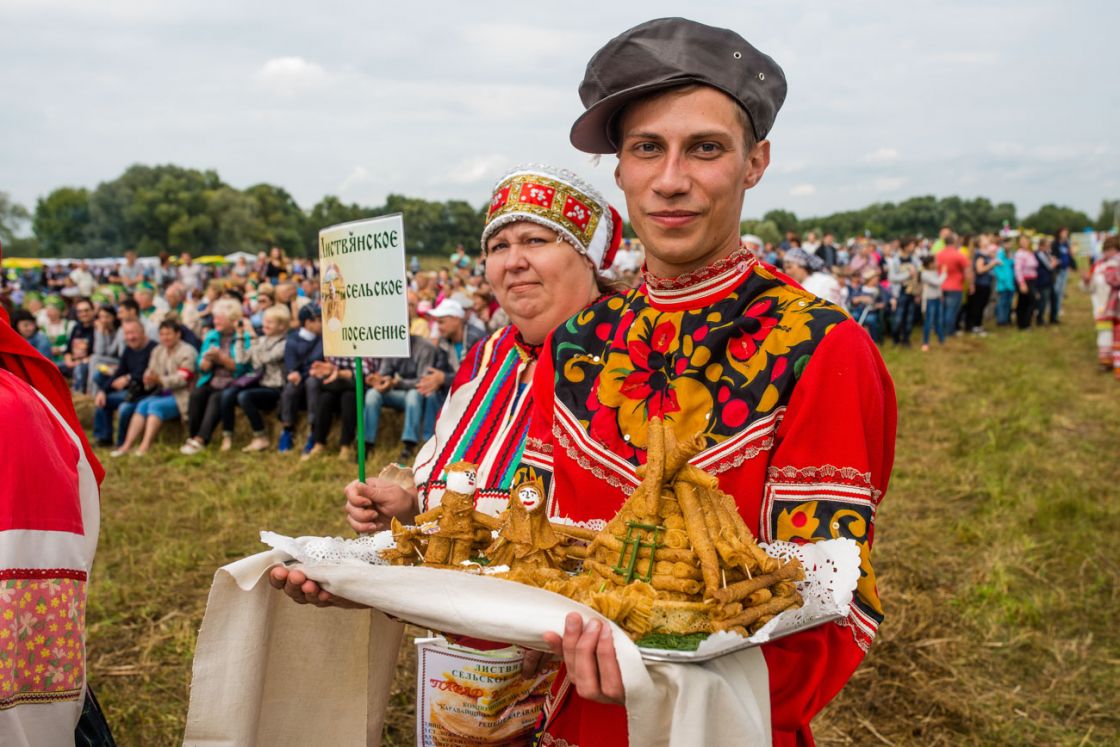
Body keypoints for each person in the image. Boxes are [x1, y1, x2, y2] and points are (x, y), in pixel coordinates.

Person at [514, 19, 895, 745]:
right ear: (620, 170)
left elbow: (833, 604)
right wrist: (381, 586)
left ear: (756, 162)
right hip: (571, 723)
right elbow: (531, 534)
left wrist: (656, 675)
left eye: (707, 148)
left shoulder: (820, 347)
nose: (670, 179)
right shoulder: (572, 344)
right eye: (646, 148)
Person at [273, 163, 622, 606]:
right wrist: (405, 507)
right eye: (498, 246)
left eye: (535, 240)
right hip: (460, 641)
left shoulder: (631, 357)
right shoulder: (487, 357)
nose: (514, 262)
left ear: (587, 258)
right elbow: (449, 496)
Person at [111, 318, 198, 457]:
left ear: (178, 334)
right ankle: (126, 445)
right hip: (160, 393)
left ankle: (145, 446)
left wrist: (160, 380)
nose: (165, 338)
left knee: (154, 406)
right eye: (162, 334)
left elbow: (184, 377)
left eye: (168, 334)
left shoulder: (187, 351)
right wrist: (148, 378)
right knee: (142, 405)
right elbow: (151, 370)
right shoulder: (158, 350)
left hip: (181, 395)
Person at [180, 298, 252, 454]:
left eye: (219, 318)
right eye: (215, 317)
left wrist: (222, 359)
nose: (215, 321)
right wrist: (206, 362)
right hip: (212, 379)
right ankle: (193, 436)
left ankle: (201, 439)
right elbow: (201, 365)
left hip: (233, 382)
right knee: (197, 394)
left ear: (232, 319)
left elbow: (242, 368)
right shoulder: (212, 335)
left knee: (216, 398)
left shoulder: (244, 337)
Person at [363, 333, 440, 462]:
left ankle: (409, 445)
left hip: (414, 391)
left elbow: (424, 381)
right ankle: (366, 444)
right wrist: (379, 380)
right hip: (395, 390)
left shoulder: (426, 347)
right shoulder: (390, 346)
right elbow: (384, 373)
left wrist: (396, 383)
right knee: (372, 394)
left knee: (414, 395)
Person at [229, 304, 290, 452]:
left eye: (270, 322)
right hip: (262, 384)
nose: (265, 324)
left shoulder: (285, 343)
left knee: (245, 396)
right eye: (265, 321)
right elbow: (241, 359)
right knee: (231, 393)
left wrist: (253, 335)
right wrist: (240, 335)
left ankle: (261, 436)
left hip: (277, 387)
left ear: (282, 326)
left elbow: (265, 358)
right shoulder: (262, 340)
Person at [92, 319, 156, 447]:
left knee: (125, 408)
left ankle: (121, 443)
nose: (130, 337)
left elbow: (148, 372)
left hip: (145, 392)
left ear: (143, 332)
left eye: (133, 333)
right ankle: (103, 438)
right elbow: (119, 372)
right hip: (129, 391)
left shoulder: (153, 348)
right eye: (127, 334)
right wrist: (103, 391)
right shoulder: (128, 349)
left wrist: (129, 378)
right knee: (102, 401)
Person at [277, 303, 324, 453]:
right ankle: (287, 428)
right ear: (308, 322)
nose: (322, 323)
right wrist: (293, 373)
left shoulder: (323, 341)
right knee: (290, 388)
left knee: (313, 383)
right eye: (319, 320)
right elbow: (291, 365)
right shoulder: (292, 340)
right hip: (301, 377)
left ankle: (313, 429)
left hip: (313, 377)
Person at [1089, 235, 1120, 378]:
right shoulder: (1098, 266)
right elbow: (1090, 287)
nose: (1108, 253)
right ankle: (1105, 361)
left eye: (1111, 249)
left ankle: (1116, 362)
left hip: (1117, 306)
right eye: (1106, 249)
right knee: (1104, 333)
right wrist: (1086, 281)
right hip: (1102, 307)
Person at [935, 233, 969, 336]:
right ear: (954, 242)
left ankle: (940, 330)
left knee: (942, 309)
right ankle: (949, 331)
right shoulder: (958, 255)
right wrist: (970, 284)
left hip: (940, 285)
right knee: (952, 310)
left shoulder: (938, 254)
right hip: (955, 286)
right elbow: (967, 271)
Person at [965, 238, 996, 334]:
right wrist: (992, 264)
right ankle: (975, 326)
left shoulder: (983, 254)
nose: (987, 240)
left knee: (980, 306)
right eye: (984, 239)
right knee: (978, 306)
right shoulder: (980, 255)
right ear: (979, 243)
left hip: (984, 284)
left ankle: (976, 325)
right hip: (980, 284)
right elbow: (979, 270)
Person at [920, 254, 947, 351]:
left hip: (937, 299)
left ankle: (941, 340)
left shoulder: (934, 272)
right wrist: (944, 273)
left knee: (938, 321)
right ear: (930, 264)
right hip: (929, 300)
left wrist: (940, 295)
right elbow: (937, 282)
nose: (937, 263)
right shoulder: (925, 274)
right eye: (935, 261)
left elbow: (937, 286)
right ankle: (925, 342)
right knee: (928, 321)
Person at [1050, 227, 1075, 323]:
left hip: (1064, 270)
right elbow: (1052, 255)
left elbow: (1069, 255)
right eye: (1064, 232)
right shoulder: (1055, 243)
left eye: (1066, 233)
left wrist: (1071, 265)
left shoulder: (1066, 244)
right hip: (1057, 271)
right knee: (1056, 290)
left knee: (1061, 291)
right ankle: (1053, 308)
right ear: (1059, 233)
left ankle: (1058, 308)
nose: (1065, 234)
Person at [1014, 235, 1039, 329]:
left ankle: (1024, 323)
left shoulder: (1029, 252)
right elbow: (1018, 269)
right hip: (1025, 280)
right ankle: (1024, 323)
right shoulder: (1019, 254)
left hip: (1032, 279)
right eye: (1022, 241)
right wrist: (1021, 283)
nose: (1024, 242)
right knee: (1029, 301)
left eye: (1026, 240)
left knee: (1025, 302)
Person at [1034, 237, 1057, 327]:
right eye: (1047, 246)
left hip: (1049, 280)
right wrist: (1054, 262)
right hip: (1043, 282)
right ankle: (1040, 319)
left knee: (1053, 299)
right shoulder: (1039, 254)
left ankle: (1053, 318)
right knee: (1043, 301)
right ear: (1041, 246)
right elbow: (1050, 266)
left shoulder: (1046, 253)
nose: (1048, 248)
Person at [993, 238, 1016, 326]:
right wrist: (1003, 279)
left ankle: (1006, 319)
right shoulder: (1000, 254)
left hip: (1011, 281)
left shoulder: (1012, 254)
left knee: (1009, 302)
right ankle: (1001, 320)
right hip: (1003, 283)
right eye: (1006, 244)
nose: (1008, 246)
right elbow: (997, 268)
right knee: (1002, 302)